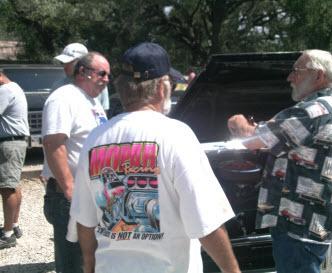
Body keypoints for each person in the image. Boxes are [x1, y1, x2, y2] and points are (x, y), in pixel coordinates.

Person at [70, 42, 241, 273]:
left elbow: (85, 219)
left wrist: (89, 267)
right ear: (162, 88)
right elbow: (206, 222)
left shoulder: (94, 139)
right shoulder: (176, 134)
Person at [227, 49, 332, 273]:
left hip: (299, 228)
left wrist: (238, 122)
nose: (289, 78)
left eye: (296, 71)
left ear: (318, 76)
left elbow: (251, 139)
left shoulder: (312, 112)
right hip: (313, 224)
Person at [42, 52, 109, 272]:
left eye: (108, 75)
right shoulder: (64, 97)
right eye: (102, 74)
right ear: (82, 72)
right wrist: (70, 189)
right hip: (69, 197)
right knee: (74, 265)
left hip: (92, 196)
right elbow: (53, 144)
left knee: (91, 262)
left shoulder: (92, 102)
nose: (106, 79)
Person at [0, 69, 29, 249]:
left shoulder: (4, 90)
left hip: (9, 144)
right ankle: (14, 225)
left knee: (6, 188)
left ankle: (8, 234)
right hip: (16, 142)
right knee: (13, 184)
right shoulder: (16, 87)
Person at [53, 42, 110, 112]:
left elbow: (103, 114)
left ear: (82, 64)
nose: (65, 66)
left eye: (70, 62)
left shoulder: (100, 84)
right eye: (64, 63)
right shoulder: (58, 87)